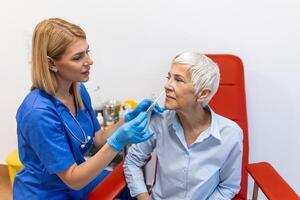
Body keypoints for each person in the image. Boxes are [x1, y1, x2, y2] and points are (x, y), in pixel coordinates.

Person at [13, 18, 163, 200]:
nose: (89, 61)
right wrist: (117, 142)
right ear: (51, 63)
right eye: (78, 57)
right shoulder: (37, 113)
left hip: (76, 180)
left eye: (87, 52)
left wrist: (128, 119)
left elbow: (96, 139)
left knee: (129, 187)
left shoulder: (77, 90)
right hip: (48, 192)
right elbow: (73, 179)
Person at [124, 52, 243, 200]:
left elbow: (228, 187)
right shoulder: (159, 120)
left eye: (178, 80)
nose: (167, 85)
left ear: (203, 94)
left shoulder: (230, 134)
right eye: (169, 77)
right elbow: (132, 161)